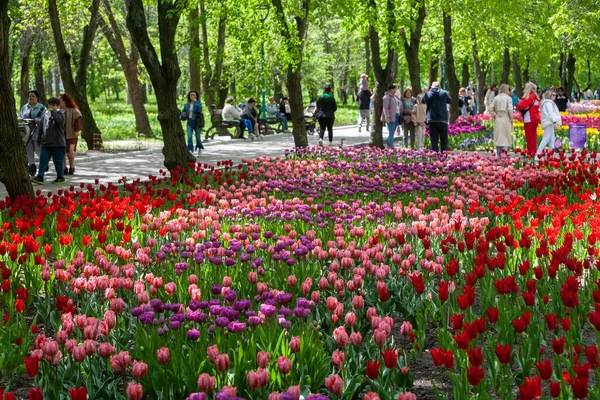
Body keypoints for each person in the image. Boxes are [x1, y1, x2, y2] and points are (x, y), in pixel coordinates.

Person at [30, 97, 66, 185]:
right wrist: (39, 138)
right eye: (49, 104)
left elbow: (60, 122)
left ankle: (60, 177)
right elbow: (41, 127)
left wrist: (54, 112)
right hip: (46, 143)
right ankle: (40, 177)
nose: (51, 106)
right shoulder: (45, 114)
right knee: (43, 160)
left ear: (58, 106)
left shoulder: (60, 114)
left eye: (53, 105)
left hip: (58, 143)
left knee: (58, 162)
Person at [18, 90, 46, 176]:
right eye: (29, 96)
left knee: (38, 151)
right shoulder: (25, 107)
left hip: (38, 132)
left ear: (37, 97)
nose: (31, 98)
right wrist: (19, 118)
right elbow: (20, 115)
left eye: (33, 96)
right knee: (29, 152)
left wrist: (39, 120)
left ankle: (43, 166)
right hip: (27, 133)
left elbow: (46, 118)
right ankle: (32, 169)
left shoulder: (42, 108)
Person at [422, 82, 452, 152]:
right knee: (444, 139)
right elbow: (450, 100)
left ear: (431, 87)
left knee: (434, 139)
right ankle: (443, 155)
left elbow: (422, 101)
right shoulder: (443, 93)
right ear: (439, 87)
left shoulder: (428, 94)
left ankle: (434, 156)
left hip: (431, 119)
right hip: (442, 119)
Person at [59, 93, 82, 175]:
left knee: (69, 150)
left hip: (71, 134)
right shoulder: (58, 111)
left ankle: (72, 166)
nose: (58, 102)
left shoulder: (74, 110)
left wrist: (76, 130)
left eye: (60, 100)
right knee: (62, 151)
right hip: (60, 134)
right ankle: (64, 168)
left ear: (65, 101)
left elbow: (78, 120)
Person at [517, 82, 541, 157]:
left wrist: (519, 101)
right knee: (534, 135)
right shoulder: (536, 97)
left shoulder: (530, 96)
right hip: (535, 117)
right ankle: (534, 150)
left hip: (529, 118)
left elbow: (521, 106)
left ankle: (531, 152)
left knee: (529, 136)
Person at [489, 84, 513, 158]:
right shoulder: (508, 98)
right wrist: (511, 118)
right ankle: (504, 154)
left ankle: (498, 155)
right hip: (505, 118)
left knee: (498, 137)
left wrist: (493, 115)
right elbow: (510, 109)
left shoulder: (496, 98)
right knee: (505, 137)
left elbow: (490, 108)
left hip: (498, 118)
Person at [537, 90, 562, 156]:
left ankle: (552, 153)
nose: (555, 96)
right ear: (549, 96)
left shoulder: (547, 103)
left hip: (549, 122)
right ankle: (538, 153)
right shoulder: (548, 103)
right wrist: (554, 122)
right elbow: (550, 114)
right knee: (546, 138)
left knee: (551, 139)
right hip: (549, 122)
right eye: (553, 95)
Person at [180, 90, 205, 154]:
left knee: (198, 137)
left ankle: (199, 147)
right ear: (189, 96)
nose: (192, 96)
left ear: (196, 96)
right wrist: (183, 114)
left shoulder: (199, 103)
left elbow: (199, 110)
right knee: (189, 136)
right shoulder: (187, 105)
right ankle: (190, 150)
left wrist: (195, 102)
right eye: (191, 95)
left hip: (197, 122)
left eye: (194, 95)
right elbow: (183, 113)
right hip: (190, 123)